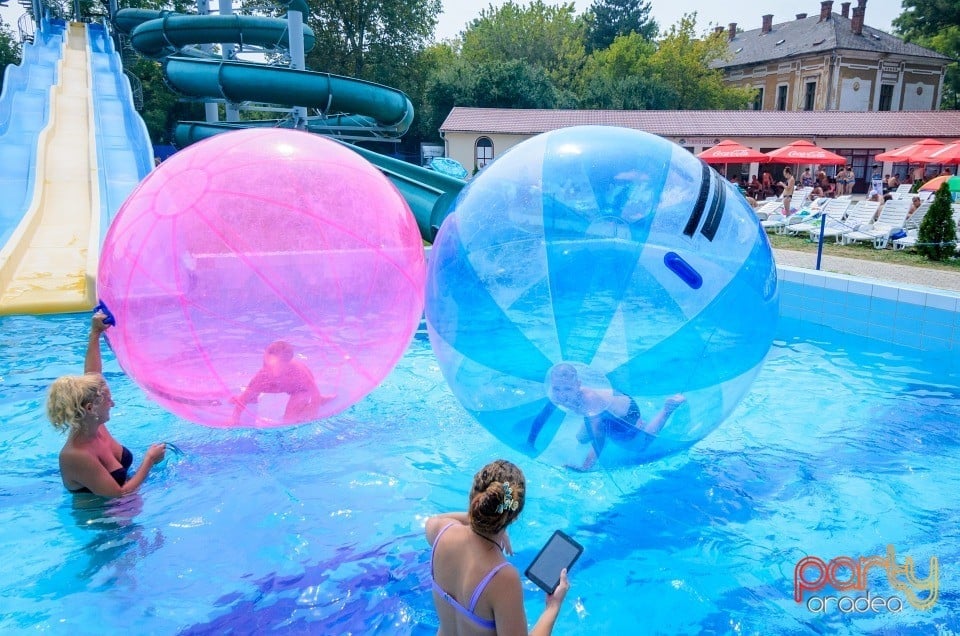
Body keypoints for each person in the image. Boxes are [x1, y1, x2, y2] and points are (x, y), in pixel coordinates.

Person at [425, 459, 570, 635]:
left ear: (474, 500)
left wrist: (481, 518)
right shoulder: (503, 578)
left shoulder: (441, 532)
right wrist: (553, 607)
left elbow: (435, 519)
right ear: (514, 517)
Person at [46, 312, 167, 497]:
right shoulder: (76, 455)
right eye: (107, 401)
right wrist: (149, 460)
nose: (113, 404)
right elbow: (119, 493)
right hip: (102, 521)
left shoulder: (91, 424)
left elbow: (93, 373)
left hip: (126, 508)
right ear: (90, 408)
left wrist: (95, 333)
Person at [547, 364, 685, 471]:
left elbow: (599, 438)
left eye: (567, 389)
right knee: (581, 438)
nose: (562, 395)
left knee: (641, 446)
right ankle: (633, 426)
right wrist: (530, 442)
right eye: (557, 389)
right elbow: (543, 417)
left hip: (624, 414)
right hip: (601, 411)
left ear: (578, 385)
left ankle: (666, 410)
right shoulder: (556, 394)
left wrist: (585, 466)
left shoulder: (589, 399)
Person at [231, 340, 330, 424]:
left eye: (275, 366)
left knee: (289, 419)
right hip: (278, 386)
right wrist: (234, 418)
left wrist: (313, 411)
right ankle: (253, 398)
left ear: (287, 363)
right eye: (266, 365)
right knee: (251, 392)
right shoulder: (263, 376)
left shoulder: (298, 373)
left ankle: (319, 400)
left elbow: (314, 392)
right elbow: (244, 397)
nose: (268, 369)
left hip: (298, 389)